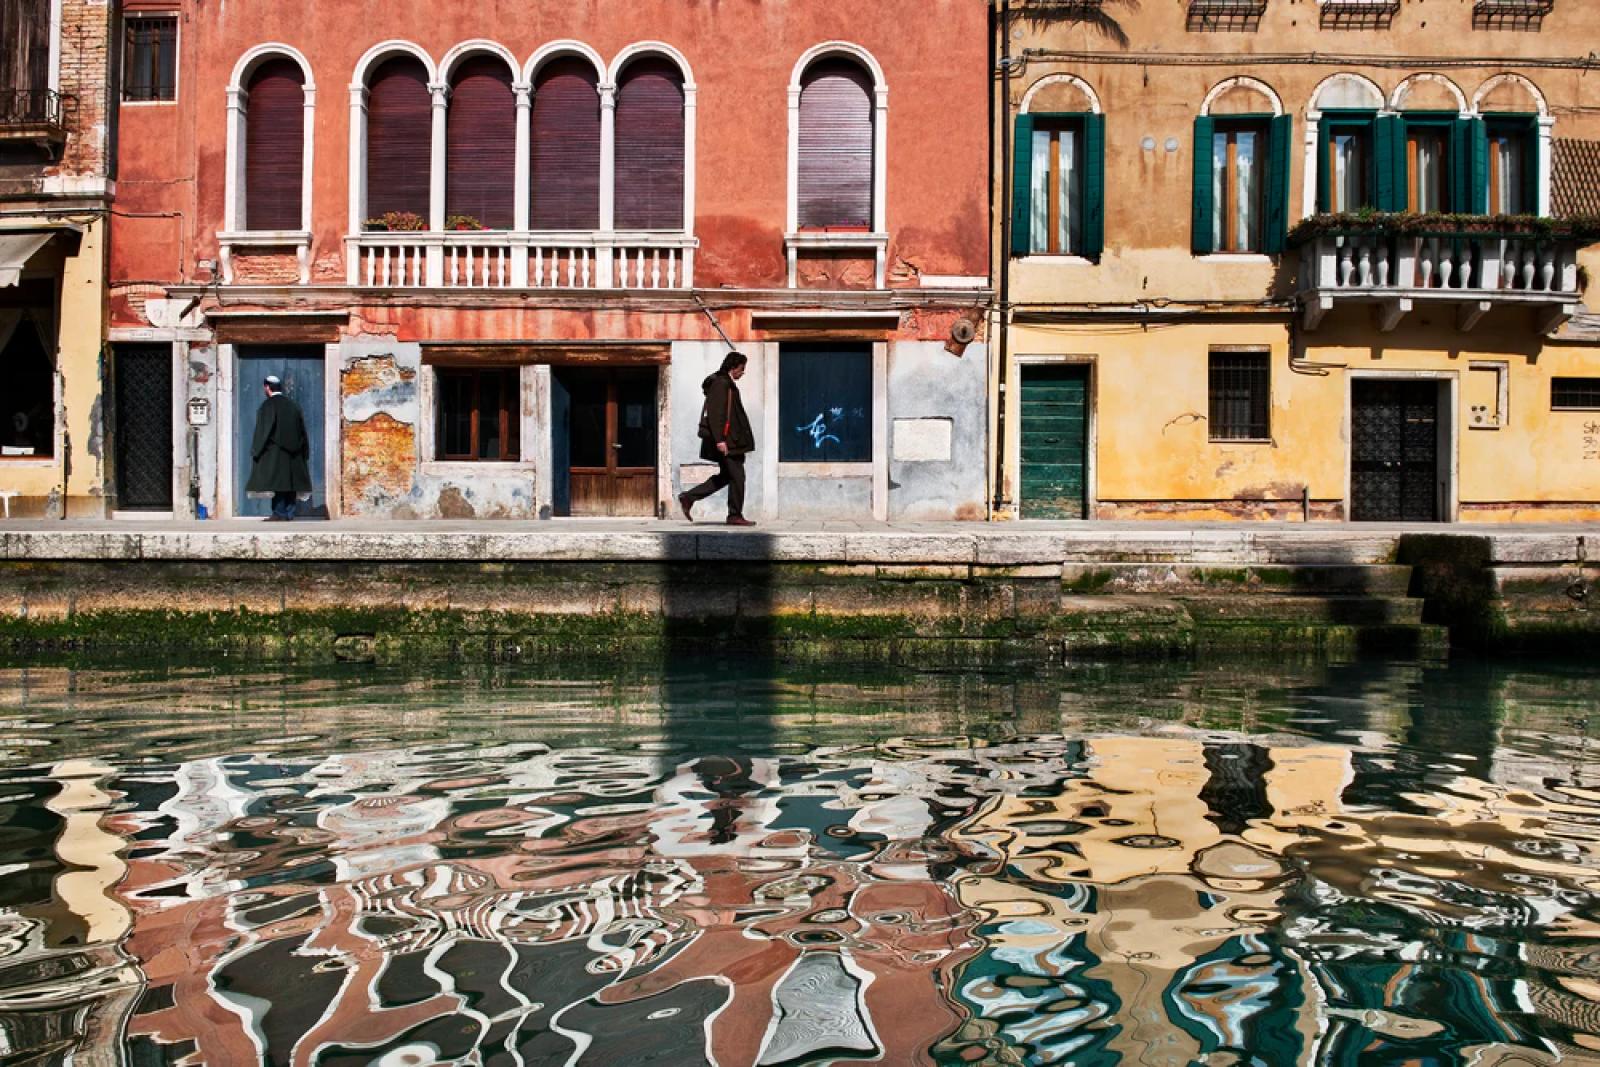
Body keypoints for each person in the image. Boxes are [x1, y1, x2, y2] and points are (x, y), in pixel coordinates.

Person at [679, 351, 756, 526]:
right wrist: (720, 440)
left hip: (731, 441)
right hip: (728, 442)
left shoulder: (725, 383)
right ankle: (734, 515)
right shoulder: (721, 384)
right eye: (741, 368)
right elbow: (716, 414)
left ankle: (689, 497)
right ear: (733, 366)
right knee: (738, 477)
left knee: (727, 476)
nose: (743, 372)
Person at [246, 374, 312, 521]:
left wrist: (256, 449)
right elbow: (302, 430)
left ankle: (279, 513)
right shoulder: (294, 406)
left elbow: (264, 430)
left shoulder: (268, 406)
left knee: (278, 483)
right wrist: (305, 451)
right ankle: (289, 512)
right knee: (291, 483)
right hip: (294, 454)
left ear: (267, 387)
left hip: (276, 453)